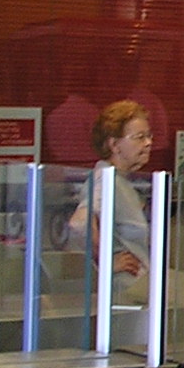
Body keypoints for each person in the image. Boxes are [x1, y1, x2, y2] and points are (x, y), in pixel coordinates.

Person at [66, 101, 152, 301]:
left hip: (135, 292)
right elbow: (80, 223)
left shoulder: (121, 182)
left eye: (149, 136)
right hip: (122, 296)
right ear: (114, 145)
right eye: (139, 137)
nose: (148, 143)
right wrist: (105, 262)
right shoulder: (106, 179)